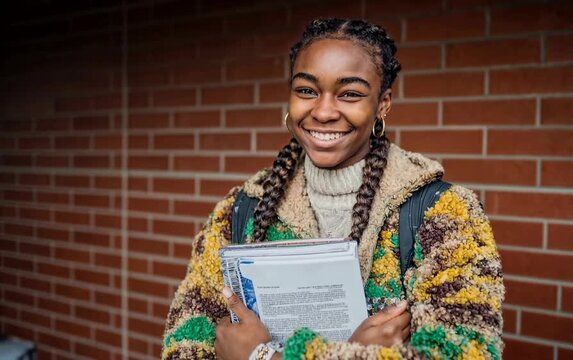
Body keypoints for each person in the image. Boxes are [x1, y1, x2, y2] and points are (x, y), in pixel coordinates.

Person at [161, 18, 504, 360]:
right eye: (306, 90)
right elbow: (185, 342)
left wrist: (264, 357)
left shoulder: (440, 213)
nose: (323, 112)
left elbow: (466, 353)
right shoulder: (240, 210)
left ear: (382, 104)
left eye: (350, 94)